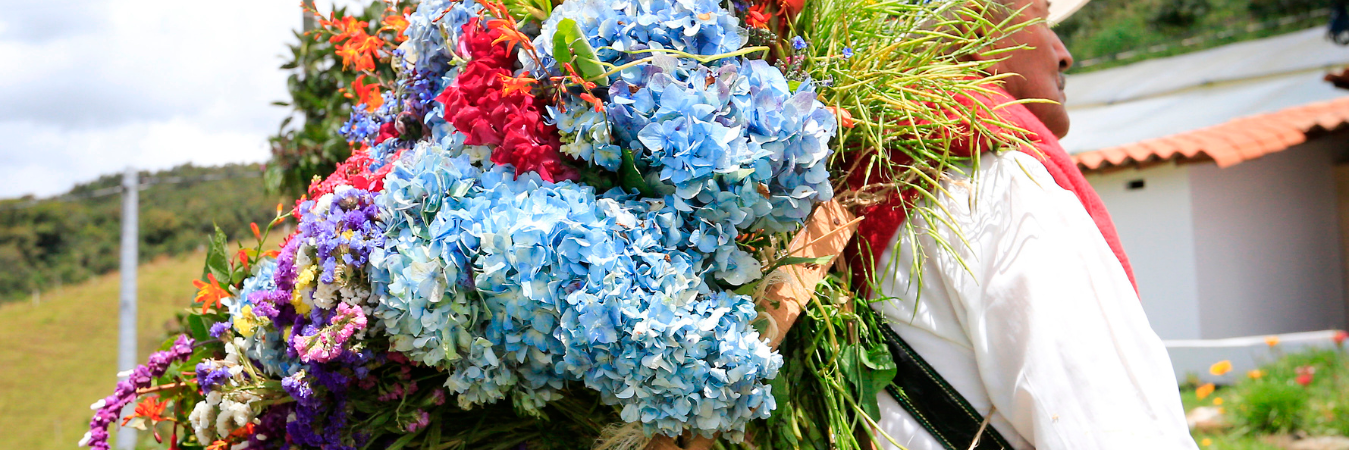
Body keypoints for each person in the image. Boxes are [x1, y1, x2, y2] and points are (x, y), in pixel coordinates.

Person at [859, 0, 1201, 448]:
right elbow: (1109, 431)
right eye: (1041, 19)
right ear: (974, 37)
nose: (1064, 53)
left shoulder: (859, 198)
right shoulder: (997, 183)